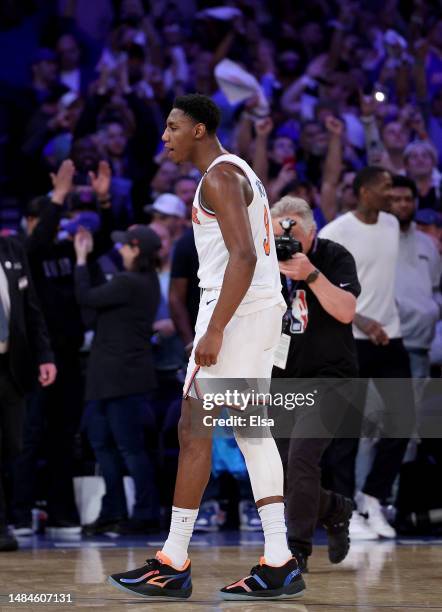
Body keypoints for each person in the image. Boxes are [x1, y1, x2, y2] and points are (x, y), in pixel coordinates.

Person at [108, 93, 305, 601]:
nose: (164, 136)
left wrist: (214, 329)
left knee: (194, 427)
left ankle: (173, 560)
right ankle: (279, 559)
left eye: (172, 127)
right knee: (252, 434)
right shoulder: (238, 169)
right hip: (260, 309)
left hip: (235, 312)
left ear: (198, 129)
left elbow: (241, 256)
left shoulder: (217, 175)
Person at [319, 166, 415, 541]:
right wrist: (360, 319)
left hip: (392, 337)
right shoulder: (336, 232)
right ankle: (344, 512)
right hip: (351, 339)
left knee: (402, 424)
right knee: (347, 432)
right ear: (362, 191)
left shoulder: (392, 225)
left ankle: (372, 498)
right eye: (385, 187)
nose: (392, 194)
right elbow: (317, 286)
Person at [271, 196, 360, 572]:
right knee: (279, 472)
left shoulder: (336, 256)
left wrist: (309, 274)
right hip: (280, 378)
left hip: (330, 378)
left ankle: (297, 550)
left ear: (312, 232)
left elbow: (346, 310)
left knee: (302, 458)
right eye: (278, 237)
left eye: (293, 237)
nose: (286, 245)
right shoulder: (262, 261)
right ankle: (334, 508)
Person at [74, 225, 162, 536]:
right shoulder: (143, 280)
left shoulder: (129, 282)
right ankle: (114, 510)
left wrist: (81, 260)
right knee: (104, 445)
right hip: (109, 377)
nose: (120, 250)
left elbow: (85, 296)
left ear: (137, 250)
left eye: (125, 246)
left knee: (129, 449)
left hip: (123, 378)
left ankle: (146, 512)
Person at [0, 235, 57, 551]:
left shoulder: (12, 251)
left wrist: (45, 355)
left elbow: (31, 308)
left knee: (14, 445)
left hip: (12, 363)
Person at [390, 175, 441, 380]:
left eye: (408, 199)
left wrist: (432, 310)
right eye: (397, 199)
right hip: (384, 339)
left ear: (415, 203)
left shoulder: (427, 244)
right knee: (382, 409)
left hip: (420, 341)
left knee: (416, 408)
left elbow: (437, 287)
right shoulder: (373, 239)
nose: (403, 204)